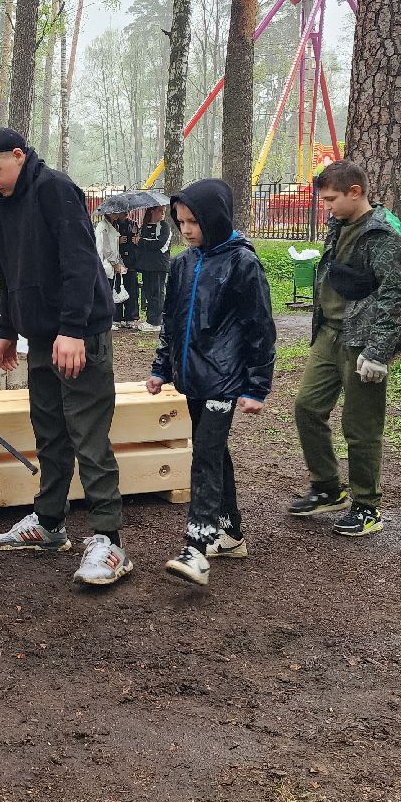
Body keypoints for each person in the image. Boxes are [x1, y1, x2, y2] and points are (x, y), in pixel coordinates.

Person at [0, 128, 131, 586]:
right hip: (39, 339)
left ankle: (109, 540)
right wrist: (7, 330)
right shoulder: (4, 200)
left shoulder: (55, 189)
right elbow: (7, 265)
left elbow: (78, 261)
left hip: (78, 336)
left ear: (19, 155)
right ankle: (50, 524)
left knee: (88, 434)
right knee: (50, 434)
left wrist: (73, 329)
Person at [147, 179, 276, 586]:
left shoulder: (243, 264)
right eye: (180, 221)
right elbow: (171, 322)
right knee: (215, 454)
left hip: (226, 380)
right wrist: (161, 368)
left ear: (215, 218)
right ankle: (231, 533)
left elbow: (260, 328)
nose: (186, 230)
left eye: (194, 222)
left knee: (204, 455)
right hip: (192, 379)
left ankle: (196, 548)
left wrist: (256, 386)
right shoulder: (182, 264)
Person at [290, 160, 401, 537]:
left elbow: (395, 295)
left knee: (360, 427)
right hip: (329, 334)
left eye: (330, 199)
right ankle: (328, 487)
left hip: (362, 341)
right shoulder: (338, 224)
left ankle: (366, 505)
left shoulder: (381, 234)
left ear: (355, 192)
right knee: (307, 407)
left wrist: (378, 352)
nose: (325, 207)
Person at [96, 208, 138, 329]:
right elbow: (107, 248)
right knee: (107, 293)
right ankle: (108, 320)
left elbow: (114, 249)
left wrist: (119, 262)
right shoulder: (104, 226)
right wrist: (115, 263)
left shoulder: (112, 225)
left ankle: (109, 319)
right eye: (113, 212)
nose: (116, 214)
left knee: (110, 291)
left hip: (111, 264)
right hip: (106, 264)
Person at [133, 203, 172, 332]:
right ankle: (150, 318)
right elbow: (140, 243)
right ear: (152, 212)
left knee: (157, 293)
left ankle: (155, 321)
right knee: (149, 292)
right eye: (160, 211)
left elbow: (158, 244)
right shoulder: (145, 226)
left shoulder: (164, 227)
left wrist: (141, 241)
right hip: (147, 265)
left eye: (163, 212)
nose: (162, 214)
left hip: (158, 265)